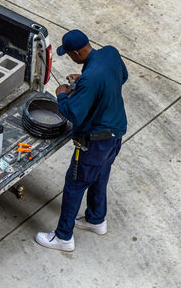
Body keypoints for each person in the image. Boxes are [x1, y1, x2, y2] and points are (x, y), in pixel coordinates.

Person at [35, 29, 128, 251]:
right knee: (99, 176)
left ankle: (63, 237)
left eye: (69, 55)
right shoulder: (110, 53)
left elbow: (74, 114)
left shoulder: (90, 79)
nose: (70, 58)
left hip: (94, 142)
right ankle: (96, 220)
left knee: (74, 186)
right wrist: (85, 80)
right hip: (115, 135)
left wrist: (62, 94)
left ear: (76, 53)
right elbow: (121, 77)